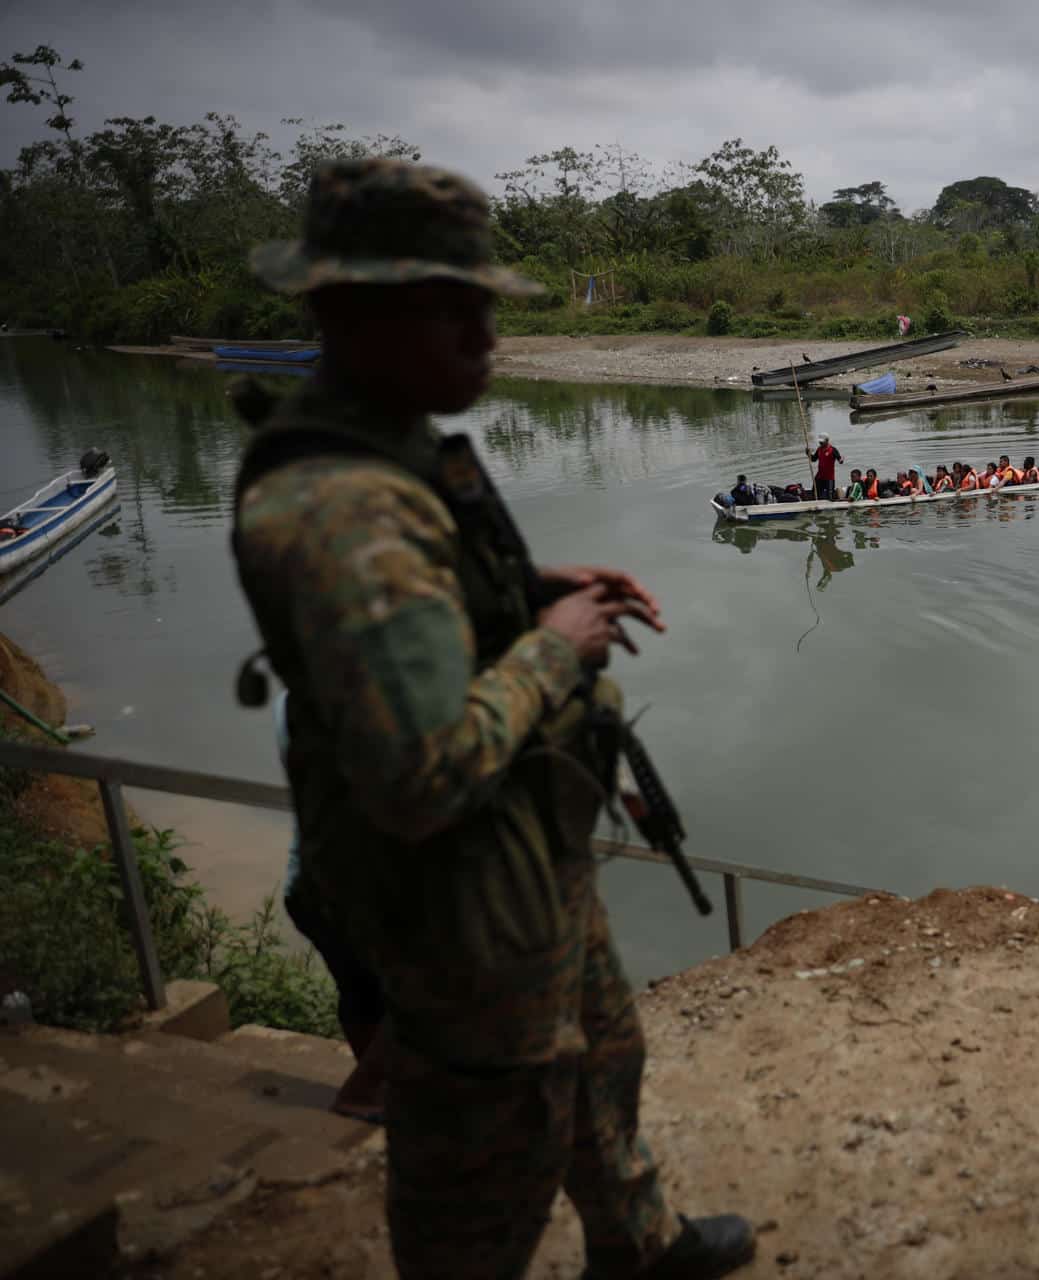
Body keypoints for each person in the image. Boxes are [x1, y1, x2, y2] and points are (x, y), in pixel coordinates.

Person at [229, 158, 754, 1280]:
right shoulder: (342, 512)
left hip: (523, 859)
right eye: (449, 306)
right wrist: (553, 644)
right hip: (458, 909)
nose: (486, 333)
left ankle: (638, 1239)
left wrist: (524, 589)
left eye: (483, 304)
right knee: (482, 1170)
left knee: (605, 1060)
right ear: (346, 311)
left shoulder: (392, 445)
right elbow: (418, 773)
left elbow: (430, 602)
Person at [275, 689, 387, 1123]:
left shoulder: (291, 701)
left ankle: (379, 1091)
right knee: (433, 992)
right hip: (361, 892)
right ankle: (366, 1091)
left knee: (360, 990)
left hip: (307, 884)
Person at [806, 436, 843, 500]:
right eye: (819, 442)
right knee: (815, 493)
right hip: (819, 476)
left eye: (822, 442)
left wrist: (841, 460)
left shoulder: (833, 450)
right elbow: (814, 459)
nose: (820, 443)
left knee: (830, 497)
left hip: (829, 477)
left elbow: (840, 460)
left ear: (827, 441)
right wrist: (808, 453)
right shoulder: (819, 449)